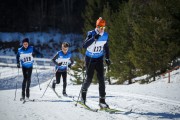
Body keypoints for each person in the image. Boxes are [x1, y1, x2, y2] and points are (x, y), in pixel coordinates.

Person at [81, 17, 111, 108]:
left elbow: (106, 47)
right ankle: (83, 95)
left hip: (99, 59)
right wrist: (94, 38)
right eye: (100, 27)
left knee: (101, 79)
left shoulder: (105, 35)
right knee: (89, 79)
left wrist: (107, 58)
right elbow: (84, 45)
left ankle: (102, 101)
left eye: (103, 27)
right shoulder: (91, 33)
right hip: (89, 58)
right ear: (97, 27)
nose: (102, 29)